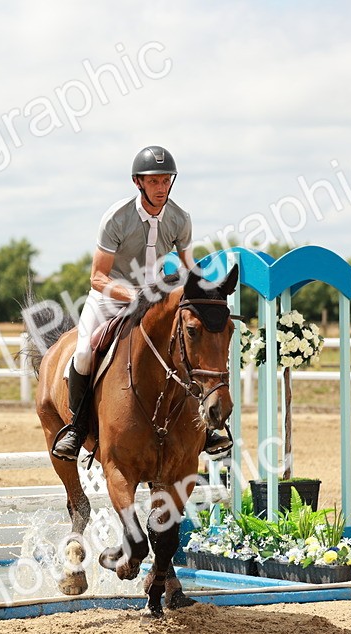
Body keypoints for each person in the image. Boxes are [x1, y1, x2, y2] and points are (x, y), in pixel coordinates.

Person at [50, 145, 231, 461]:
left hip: (155, 300)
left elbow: (189, 269)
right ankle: (77, 429)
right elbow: (97, 278)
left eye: (165, 181)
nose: (161, 189)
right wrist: (135, 296)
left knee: (181, 353)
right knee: (82, 353)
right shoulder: (117, 218)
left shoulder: (179, 218)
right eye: (154, 182)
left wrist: (206, 295)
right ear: (138, 183)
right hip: (110, 299)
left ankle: (203, 431)